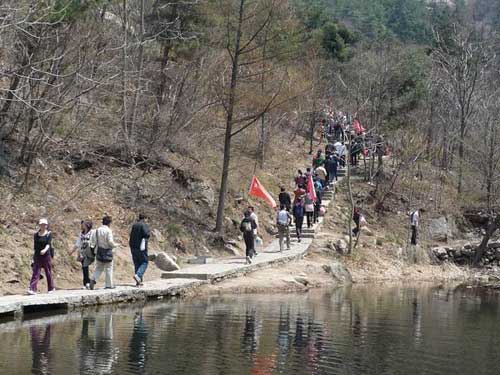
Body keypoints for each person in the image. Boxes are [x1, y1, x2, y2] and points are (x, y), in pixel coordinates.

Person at [28, 218, 55, 295]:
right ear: (39, 225)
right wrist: (33, 258)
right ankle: (32, 289)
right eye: (41, 224)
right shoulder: (36, 235)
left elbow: (48, 244)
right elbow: (35, 247)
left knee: (48, 271)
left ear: (46, 225)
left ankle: (51, 288)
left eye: (44, 224)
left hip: (46, 255)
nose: (43, 226)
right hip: (37, 256)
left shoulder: (49, 234)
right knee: (36, 272)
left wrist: (45, 250)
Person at [89, 216, 117, 290]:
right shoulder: (108, 231)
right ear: (109, 223)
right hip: (107, 251)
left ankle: (93, 279)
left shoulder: (97, 230)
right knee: (108, 268)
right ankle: (109, 285)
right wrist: (115, 245)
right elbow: (110, 241)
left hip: (99, 251)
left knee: (99, 268)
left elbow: (93, 241)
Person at [70, 220, 95, 289]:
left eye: (83, 224)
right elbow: (78, 243)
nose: (82, 226)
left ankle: (90, 281)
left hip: (90, 252)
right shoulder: (81, 234)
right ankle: (86, 283)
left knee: (93, 266)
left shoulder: (92, 232)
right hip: (83, 253)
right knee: (84, 267)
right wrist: (72, 251)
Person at [129, 214, 151, 287]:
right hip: (141, 247)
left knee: (137, 263)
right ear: (145, 218)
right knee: (145, 262)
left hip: (133, 247)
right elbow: (146, 234)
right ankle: (138, 275)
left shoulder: (134, 225)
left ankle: (138, 282)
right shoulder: (143, 225)